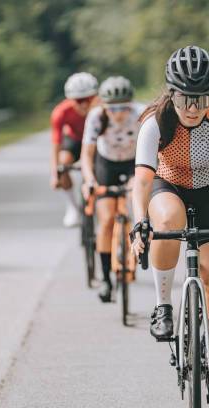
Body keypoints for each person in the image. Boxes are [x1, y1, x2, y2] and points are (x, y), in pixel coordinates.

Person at [130, 45, 209, 408]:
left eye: (202, 99)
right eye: (185, 98)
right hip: (169, 187)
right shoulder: (154, 121)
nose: (194, 109)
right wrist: (140, 223)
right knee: (167, 220)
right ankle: (163, 305)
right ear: (172, 92)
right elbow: (140, 181)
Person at [81, 76, 145, 302]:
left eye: (124, 107)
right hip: (106, 162)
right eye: (113, 108)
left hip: (133, 162)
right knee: (106, 219)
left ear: (131, 104)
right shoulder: (96, 117)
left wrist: (141, 180)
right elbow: (87, 156)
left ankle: (134, 245)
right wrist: (89, 181)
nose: (119, 113)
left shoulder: (141, 114)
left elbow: (154, 152)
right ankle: (106, 278)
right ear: (104, 106)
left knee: (132, 202)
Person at [50, 72, 99, 227]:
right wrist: (55, 173)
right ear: (70, 99)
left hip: (96, 141)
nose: (84, 104)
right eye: (79, 100)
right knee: (63, 165)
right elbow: (56, 145)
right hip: (75, 140)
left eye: (89, 99)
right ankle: (72, 206)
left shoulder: (102, 108)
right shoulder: (61, 113)